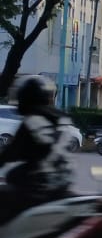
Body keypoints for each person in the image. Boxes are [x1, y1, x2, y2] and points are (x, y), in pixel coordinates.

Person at [0, 76, 76, 224]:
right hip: (65, 181)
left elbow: (9, 154)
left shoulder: (32, 120)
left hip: (40, 185)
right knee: (13, 174)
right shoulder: (61, 119)